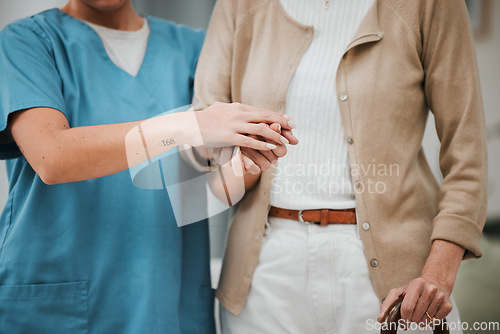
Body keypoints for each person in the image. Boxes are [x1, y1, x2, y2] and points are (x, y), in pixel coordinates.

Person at [193, 0, 487, 333]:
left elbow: (468, 154)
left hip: (395, 279)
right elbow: (205, 144)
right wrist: (245, 158)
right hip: (266, 274)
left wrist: (437, 276)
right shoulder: (238, 5)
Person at [0, 0, 294, 333]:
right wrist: (190, 125)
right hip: (59, 302)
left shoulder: (193, 49)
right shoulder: (26, 42)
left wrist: (250, 160)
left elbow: (207, 189)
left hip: (166, 297)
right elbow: (51, 156)